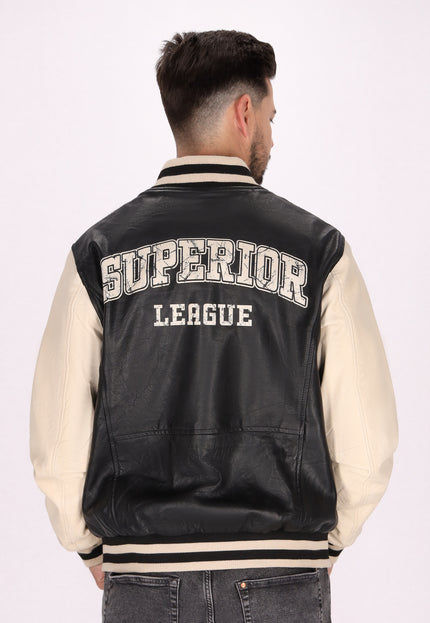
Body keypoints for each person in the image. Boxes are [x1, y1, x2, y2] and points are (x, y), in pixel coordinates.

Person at [30, 30, 398, 622]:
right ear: (244, 113)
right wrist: (325, 541)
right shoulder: (319, 252)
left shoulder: (97, 254)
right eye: (272, 118)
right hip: (282, 573)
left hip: (144, 579)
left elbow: (57, 446)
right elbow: (367, 445)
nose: (272, 136)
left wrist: (90, 546)